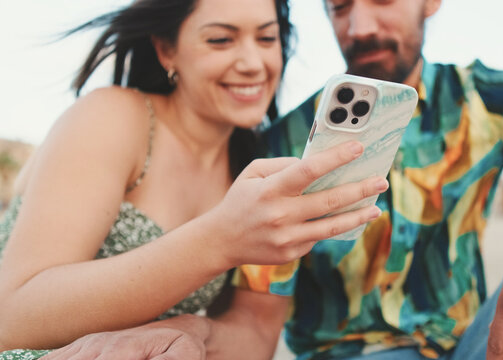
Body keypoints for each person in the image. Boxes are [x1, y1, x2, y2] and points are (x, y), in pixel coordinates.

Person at [40, 0, 503, 359]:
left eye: (378, 0)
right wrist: (188, 334)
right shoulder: (284, 147)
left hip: (474, 348)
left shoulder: (491, 99)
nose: (359, 27)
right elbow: (255, 323)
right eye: (339, 7)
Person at [0, 0, 390, 358]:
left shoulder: (259, 170)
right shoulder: (115, 117)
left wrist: (192, 331)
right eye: (221, 40)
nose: (253, 62)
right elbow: (11, 318)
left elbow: (255, 333)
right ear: (167, 50)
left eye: (267, 38)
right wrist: (220, 241)